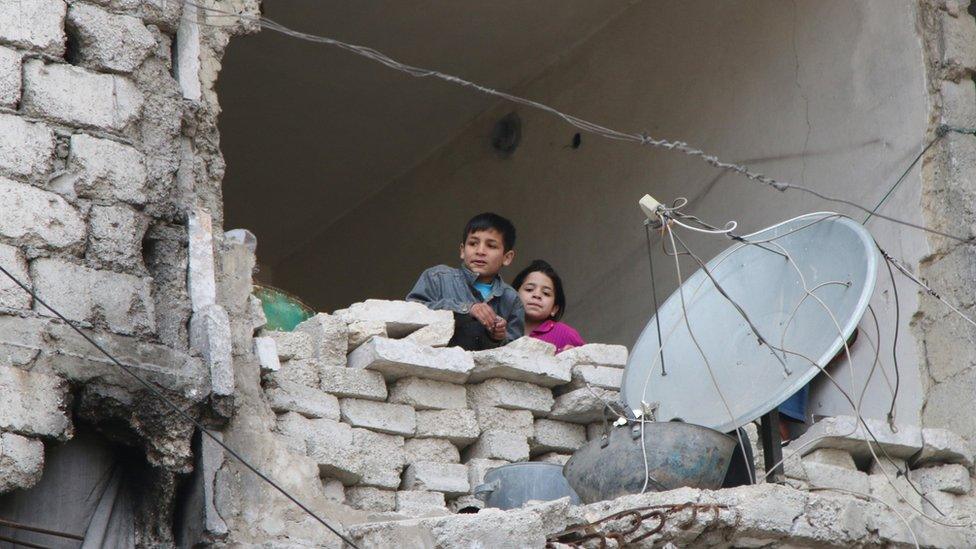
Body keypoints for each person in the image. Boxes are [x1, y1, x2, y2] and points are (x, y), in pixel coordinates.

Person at [406, 212, 525, 351]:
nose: (480, 251)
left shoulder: (512, 299)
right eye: (473, 243)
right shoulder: (437, 278)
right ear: (462, 250)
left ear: (507, 257)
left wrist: (498, 337)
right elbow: (411, 312)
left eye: (491, 246)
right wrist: (466, 309)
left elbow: (517, 350)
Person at [512, 259, 584, 353]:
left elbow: (591, 358)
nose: (537, 295)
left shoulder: (565, 333)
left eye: (546, 293)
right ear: (513, 295)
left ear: (554, 309)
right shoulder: (500, 329)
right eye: (529, 289)